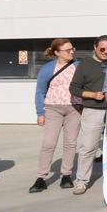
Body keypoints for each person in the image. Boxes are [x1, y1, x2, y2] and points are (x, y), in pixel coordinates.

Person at [30, 38, 81, 193]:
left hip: (74, 109)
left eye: (72, 49)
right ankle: (41, 177)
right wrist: (40, 113)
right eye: (67, 50)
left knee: (70, 143)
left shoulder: (78, 66)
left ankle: (66, 175)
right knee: (48, 143)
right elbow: (40, 91)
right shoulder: (47, 68)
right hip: (53, 109)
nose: (71, 52)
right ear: (57, 52)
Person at [69, 36, 107, 195]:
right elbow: (74, 88)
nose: (106, 52)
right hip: (93, 110)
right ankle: (81, 181)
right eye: (102, 49)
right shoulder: (85, 64)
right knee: (88, 147)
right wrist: (92, 95)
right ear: (95, 47)